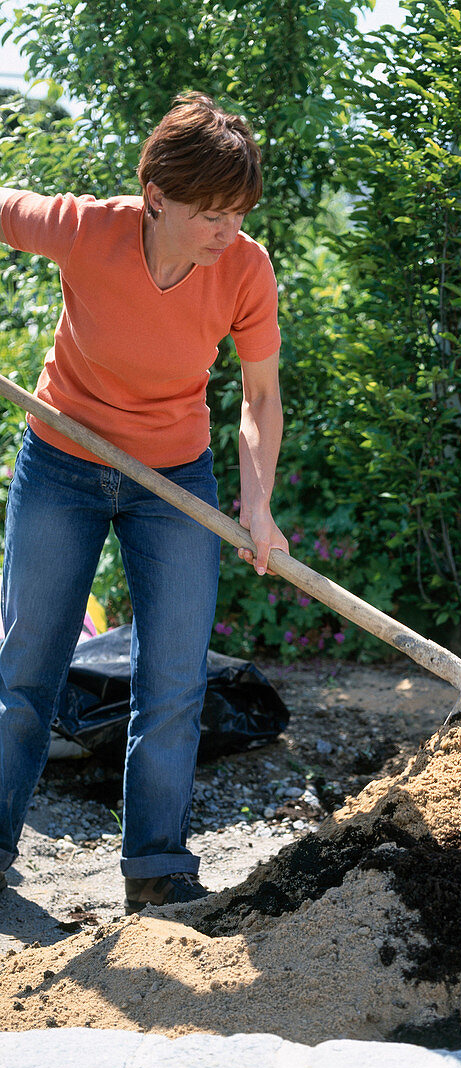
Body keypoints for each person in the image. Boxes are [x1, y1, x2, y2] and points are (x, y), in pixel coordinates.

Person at [0, 92, 289, 913]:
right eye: (208, 213)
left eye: (237, 212)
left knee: (174, 680)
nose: (225, 230)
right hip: (62, 463)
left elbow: (259, 397)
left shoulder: (245, 267)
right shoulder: (86, 229)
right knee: (27, 670)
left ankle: (157, 868)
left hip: (174, 480)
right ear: (157, 196)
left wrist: (256, 504)